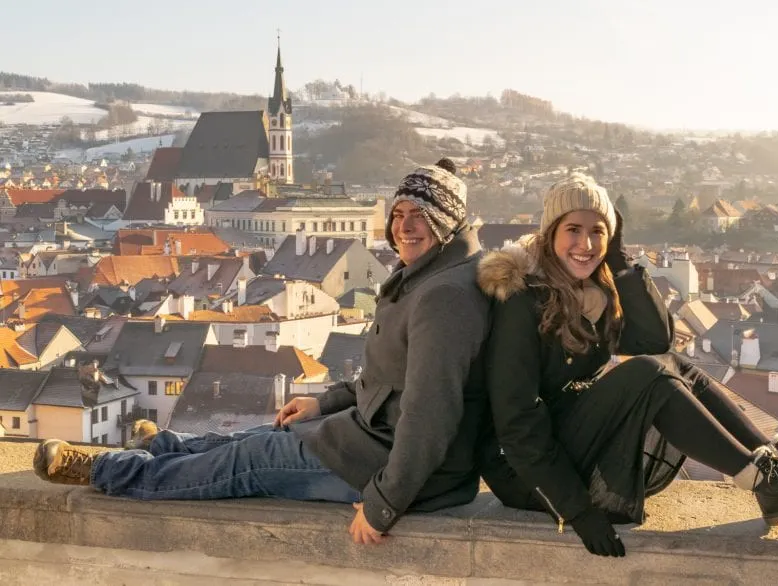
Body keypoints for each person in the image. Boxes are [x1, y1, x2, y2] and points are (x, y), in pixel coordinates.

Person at [34, 158, 491, 544]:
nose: (405, 226)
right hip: (369, 440)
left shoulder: (443, 296)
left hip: (392, 468)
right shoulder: (429, 276)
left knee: (246, 463)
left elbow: (431, 412)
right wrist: (323, 401)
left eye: (420, 216)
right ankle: (162, 445)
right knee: (258, 438)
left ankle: (107, 471)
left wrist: (385, 504)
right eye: (399, 213)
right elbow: (389, 377)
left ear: (448, 222)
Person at [476, 173, 778, 557]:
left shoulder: (588, 293)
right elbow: (517, 425)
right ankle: (759, 480)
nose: (586, 243)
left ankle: (776, 468)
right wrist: (577, 510)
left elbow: (654, 342)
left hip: (566, 435)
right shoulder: (521, 303)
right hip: (528, 472)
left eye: (598, 231)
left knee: (675, 365)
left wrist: (619, 261)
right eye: (573, 230)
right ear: (550, 234)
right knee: (649, 374)